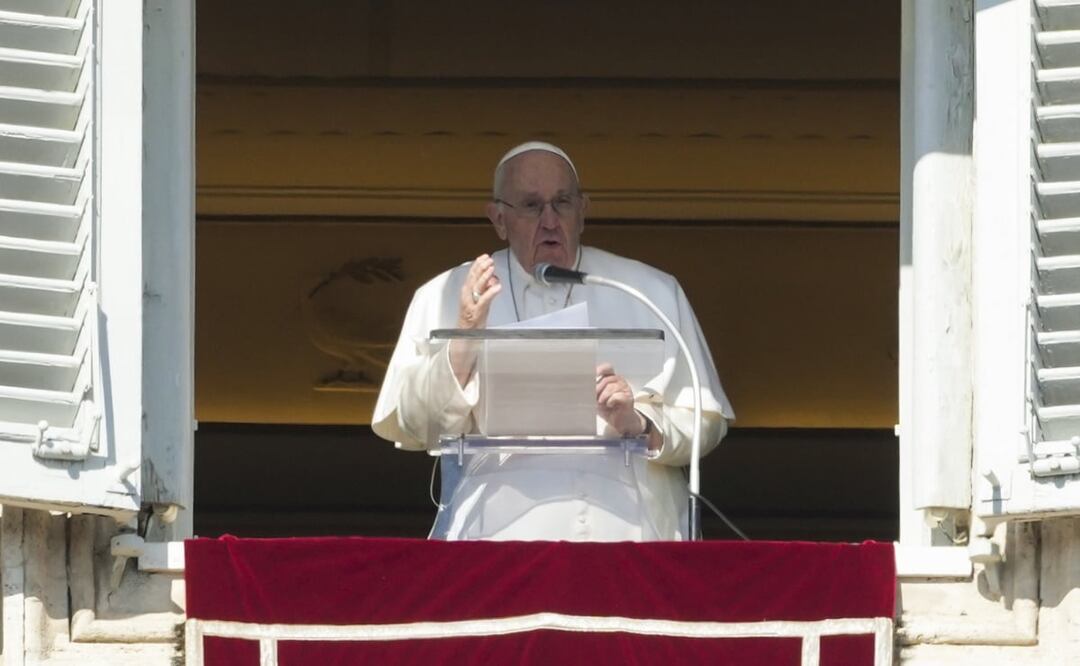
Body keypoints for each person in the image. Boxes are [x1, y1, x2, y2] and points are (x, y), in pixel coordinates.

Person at [372, 141, 734, 541]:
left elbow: (706, 422)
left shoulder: (648, 291)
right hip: (497, 540)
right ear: (499, 219)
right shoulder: (445, 294)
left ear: (583, 212)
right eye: (530, 206)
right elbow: (411, 423)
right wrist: (464, 339)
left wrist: (639, 423)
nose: (549, 221)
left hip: (630, 534)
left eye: (562, 203)